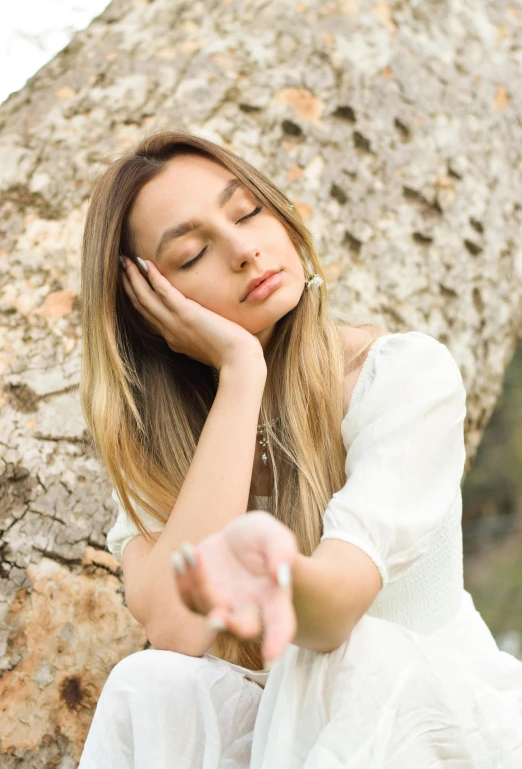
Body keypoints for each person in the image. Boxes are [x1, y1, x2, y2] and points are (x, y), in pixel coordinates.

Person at [78, 129, 522, 768]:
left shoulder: (400, 374)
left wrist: (274, 575)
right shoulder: (172, 441)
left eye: (247, 212)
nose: (242, 250)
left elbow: (336, 609)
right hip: (292, 729)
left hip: (435, 724)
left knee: (333, 661)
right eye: (193, 251)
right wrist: (240, 374)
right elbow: (175, 632)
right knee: (148, 687)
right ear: (150, 306)